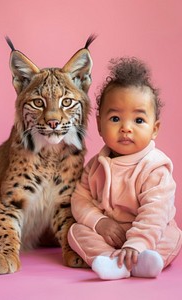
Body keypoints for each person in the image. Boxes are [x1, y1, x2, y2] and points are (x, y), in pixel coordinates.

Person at [68, 57, 182, 280]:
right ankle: (112, 260)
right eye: (115, 118)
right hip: (110, 231)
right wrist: (99, 223)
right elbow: (80, 199)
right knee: (76, 232)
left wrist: (138, 243)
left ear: (155, 128)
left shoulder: (155, 167)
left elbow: (155, 212)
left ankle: (143, 261)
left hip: (150, 231)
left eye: (138, 120)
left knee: (172, 236)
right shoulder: (95, 166)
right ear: (100, 125)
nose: (126, 128)